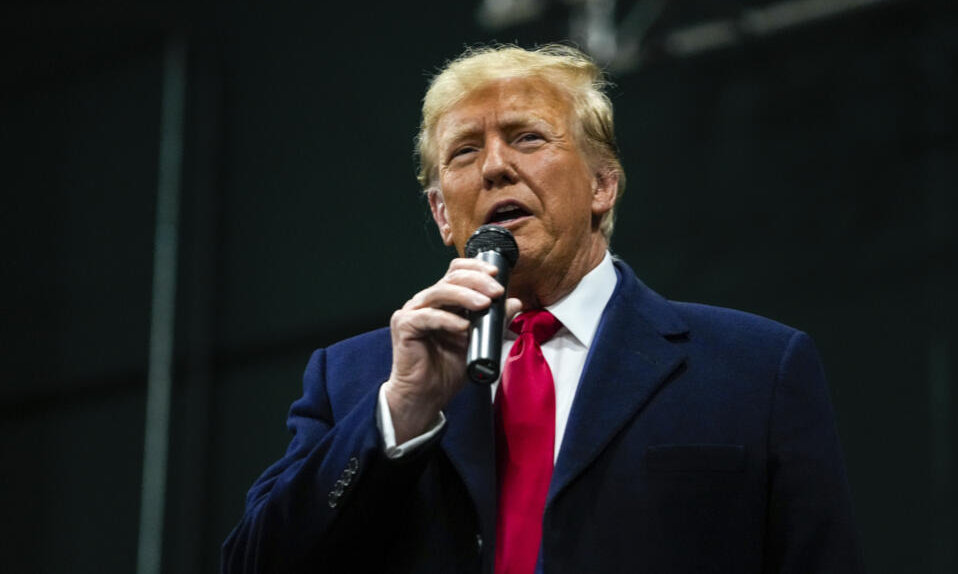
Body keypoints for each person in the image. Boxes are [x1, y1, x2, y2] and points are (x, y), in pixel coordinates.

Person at [221, 44, 862, 573]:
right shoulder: (361, 379)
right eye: (465, 151)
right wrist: (402, 413)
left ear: (602, 184)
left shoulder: (754, 368)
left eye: (528, 138)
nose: (496, 166)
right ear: (442, 213)